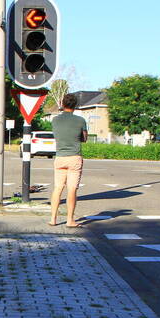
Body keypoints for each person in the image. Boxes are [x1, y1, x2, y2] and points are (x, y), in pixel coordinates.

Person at [48, 92, 88, 227]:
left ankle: (53, 219)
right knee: (72, 189)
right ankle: (70, 220)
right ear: (75, 106)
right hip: (74, 157)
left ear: (62, 104)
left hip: (60, 157)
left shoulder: (55, 120)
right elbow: (84, 138)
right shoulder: (81, 121)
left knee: (58, 188)